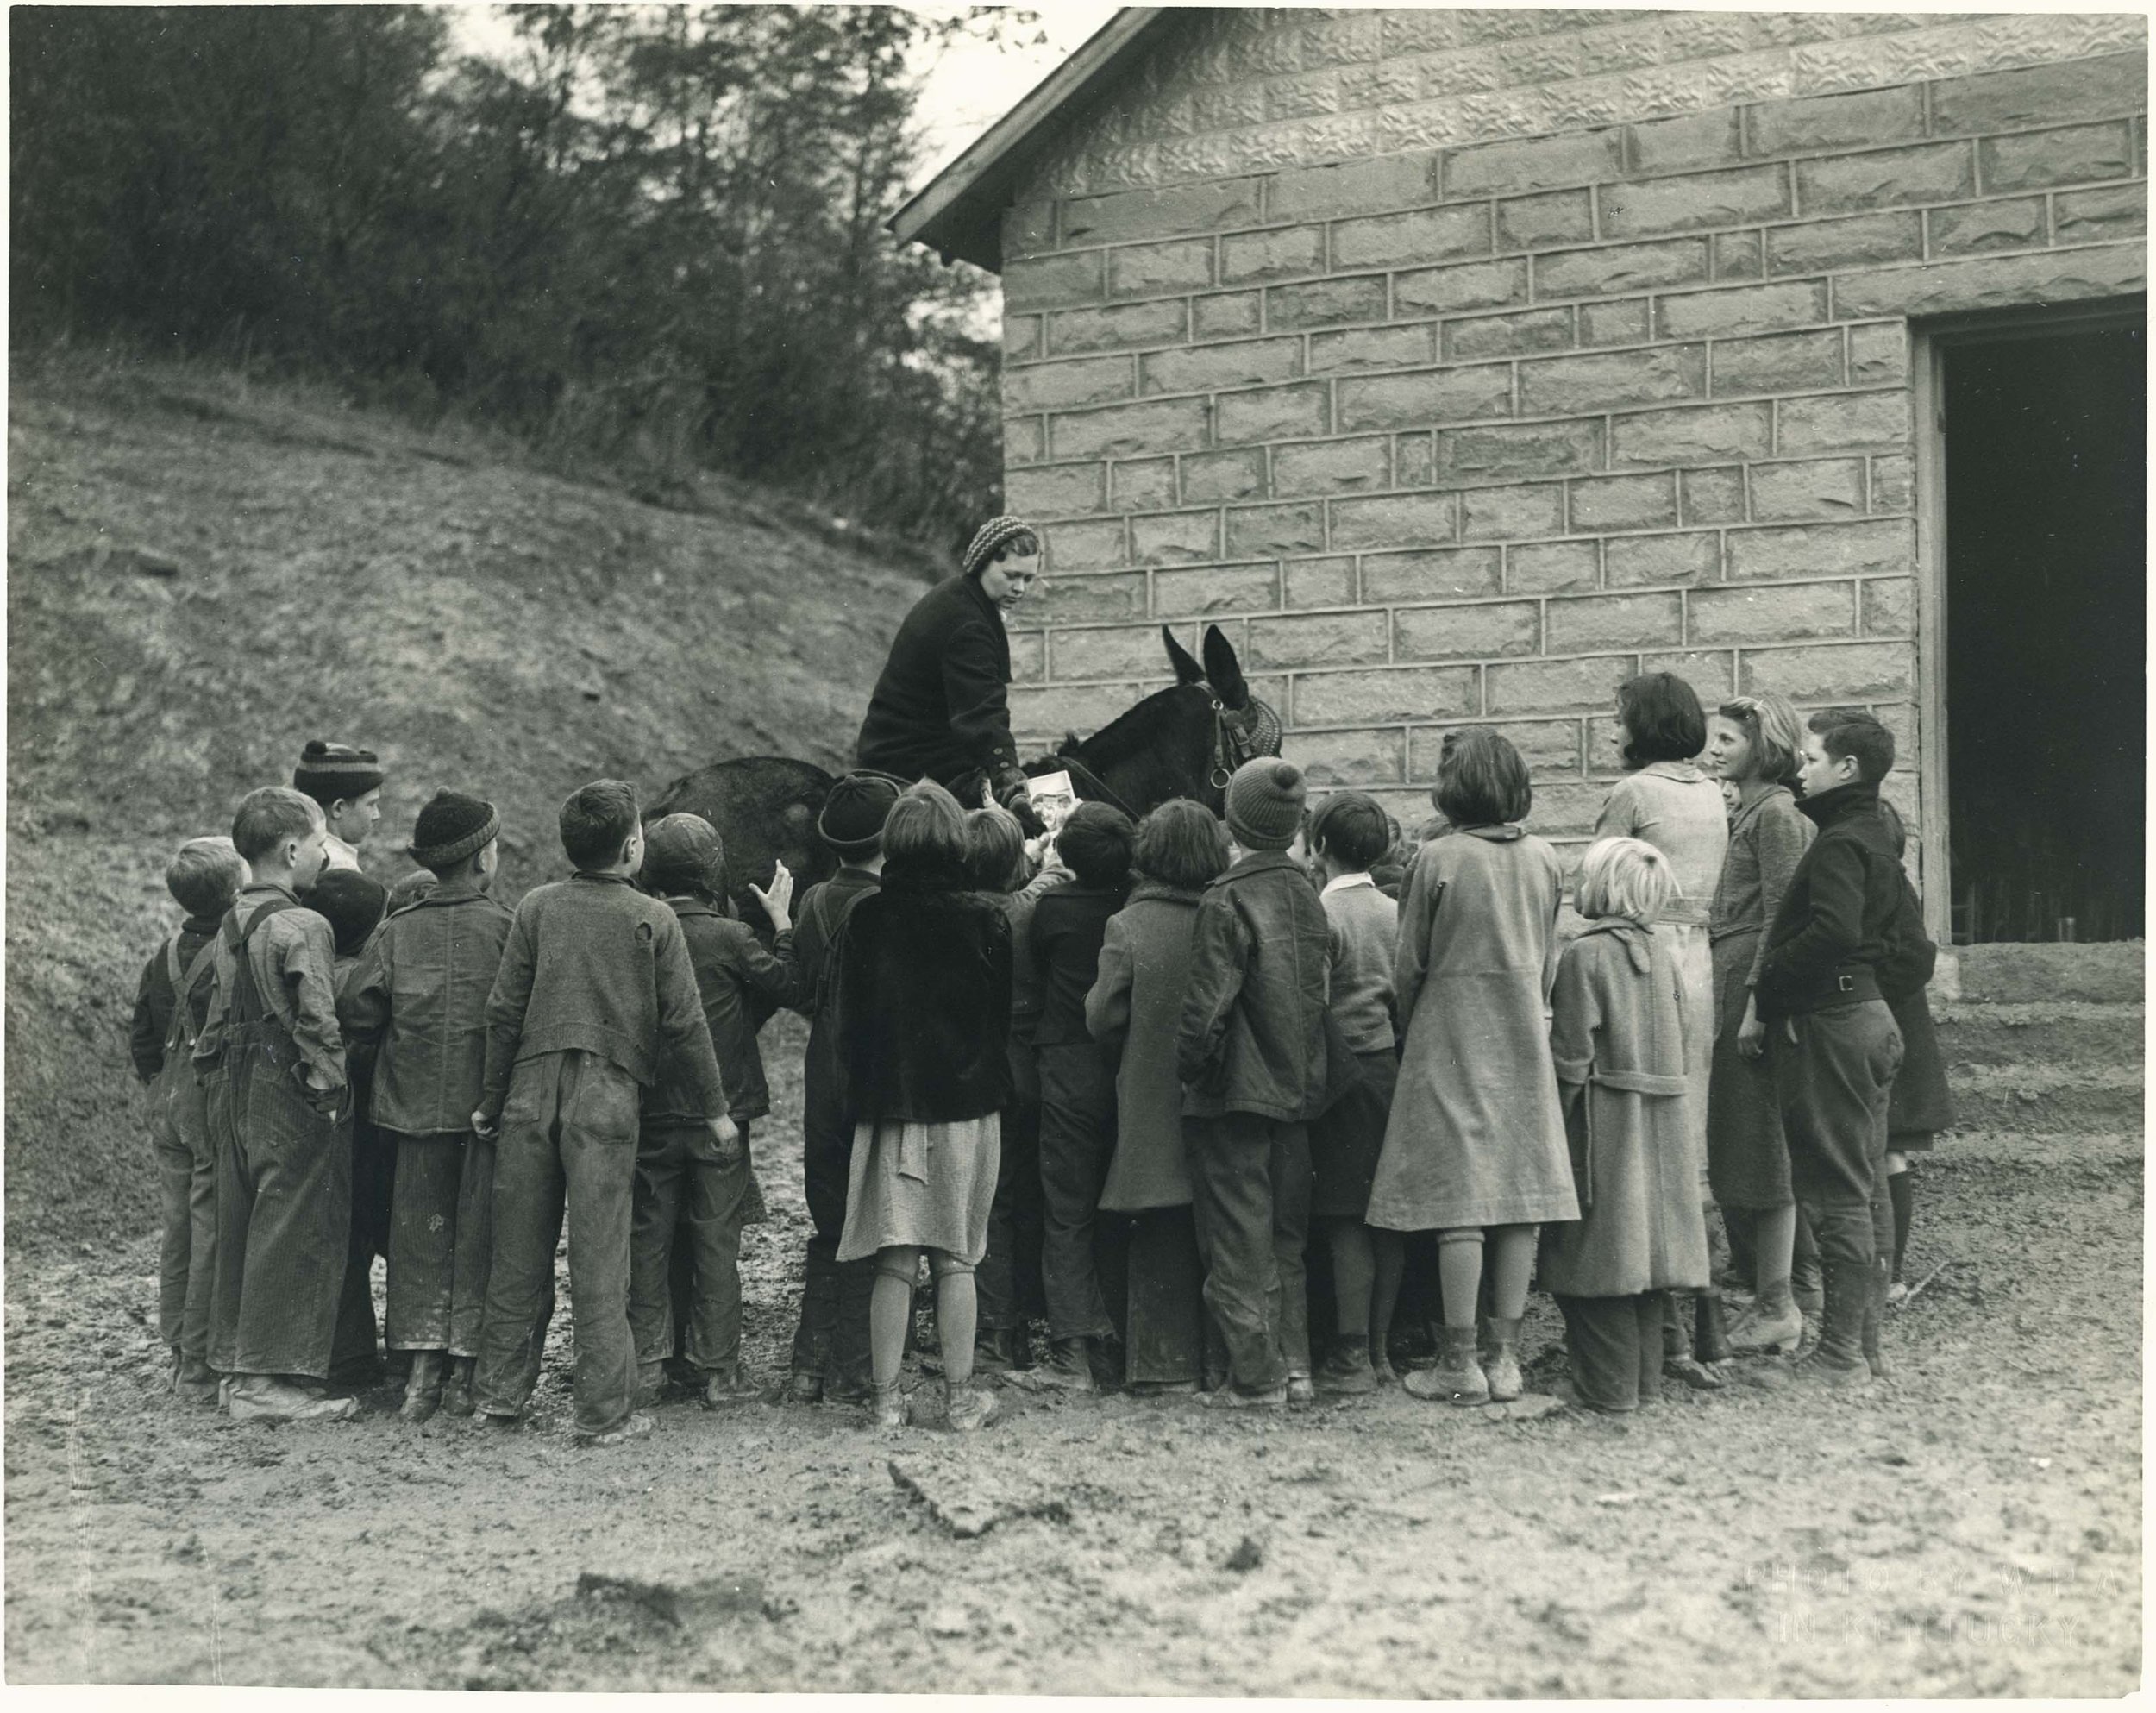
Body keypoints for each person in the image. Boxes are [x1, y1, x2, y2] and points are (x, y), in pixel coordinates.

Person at [470, 780, 733, 1445]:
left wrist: (489, 1098)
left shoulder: (536, 907)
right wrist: (716, 1112)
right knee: (600, 1257)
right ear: (634, 845)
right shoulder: (654, 917)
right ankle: (602, 1412)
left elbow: (503, 1012)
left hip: (529, 1091)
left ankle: (499, 1398)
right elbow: (686, 1024)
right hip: (607, 1098)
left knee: (518, 1255)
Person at [1367, 731, 1574, 1407]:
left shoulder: (1437, 856)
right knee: (1518, 1196)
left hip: (1449, 1036)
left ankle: (1458, 1364)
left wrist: (1407, 1025)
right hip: (1520, 1036)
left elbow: (1409, 962)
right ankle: (1505, 1358)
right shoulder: (1544, 857)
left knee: (1460, 1197)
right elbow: (1547, 957)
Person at [830, 782, 1013, 1431]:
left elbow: (846, 1028)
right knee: (958, 1257)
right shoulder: (987, 918)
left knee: (895, 1259)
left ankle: (885, 1401)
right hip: (965, 1108)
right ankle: (960, 1401)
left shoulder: (866, 918)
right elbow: (999, 1024)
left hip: (891, 1110)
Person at [337, 790, 513, 1423]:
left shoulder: (396, 930)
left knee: (417, 1242)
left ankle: (419, 1378)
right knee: (477, 1240)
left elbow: (359, 1010)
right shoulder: (505, 927)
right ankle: (467, 1373)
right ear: (481, 859)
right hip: (484, 1117)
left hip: (410, 1115)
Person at [1752, 711, 1907, 1390]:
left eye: (1811, 758)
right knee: (1866, 1185)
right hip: (1868, 1016)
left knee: (1837, 1190)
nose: (1800, 768)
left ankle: (1840, 1356)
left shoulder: (1841, 840)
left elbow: (1835, 930)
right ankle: (1861, 1350)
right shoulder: (1872, 834)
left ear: (1847, 769)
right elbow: (1909, 944)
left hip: (1834, 1023)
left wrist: (1775, 976)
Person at [195, 787, 359, 1423]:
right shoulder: (305, 925)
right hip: (286, 1086)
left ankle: (236, 1373)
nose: (323, 856)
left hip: (232, 1087)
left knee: (242, 1225)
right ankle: (267, 1385)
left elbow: (213, 1021)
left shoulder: (230, 921)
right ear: (293, 850)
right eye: (321, 844)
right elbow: (318, 1018)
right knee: (290, 1228)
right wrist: (330, 1088)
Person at [629, 814, 802, 1409]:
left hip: (650, 1116)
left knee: (649, 1241)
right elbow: (789, 986)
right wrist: (782, 925)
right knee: (716, 1243)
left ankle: (650, 1368)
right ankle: (719, 1372)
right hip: (721, 1117)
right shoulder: (731, 937)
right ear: (713, 874)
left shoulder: (639, 928)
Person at [1176, 758, 1330, 1409]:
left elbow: (1207, 1010)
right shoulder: (1307, 894)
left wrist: (1192, 1071)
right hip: (1302, 1093)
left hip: (1235, 1095)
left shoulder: (1226, 898)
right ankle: (1295, 1369)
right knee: (1287, 1242)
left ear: (1232, 821)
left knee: (1238, 1244)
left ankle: (1256, 1379)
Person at [1540, 838, 1710, 1413]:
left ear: (1604, 886)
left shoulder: (1586, 955)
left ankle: (1604, 1389)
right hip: (1662, 1116)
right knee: (1646, 1258)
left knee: (1595, 1253)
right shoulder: (1661, 952)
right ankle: (1643, 1383)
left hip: (1606, 1118)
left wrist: (1554, 1127)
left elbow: (1570, 1053)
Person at [1595, 671, 1728, 1390]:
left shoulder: (1635, 794)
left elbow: (1598, 888)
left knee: (1646, 1137)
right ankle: (1701, 1327)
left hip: (1644, 960)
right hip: (1698, 963)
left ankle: (1661, 1326)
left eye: (1620, 720)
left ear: (1642, 725)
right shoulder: (1711, 793)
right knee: (1690, 1138)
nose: (1614, 733)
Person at [1084, 799, 1228, 1395]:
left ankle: (1161, 1365)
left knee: (1154, 1221)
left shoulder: (1128, 925)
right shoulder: (1224, 915)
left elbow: (1101, 1016)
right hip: (1217, 1095)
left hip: (1148, 1090)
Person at [1702, 694, 1817, 1357]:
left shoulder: (1776, 815)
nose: (1715, 750)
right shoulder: (1745, 812)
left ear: (1763, 747)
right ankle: (1774, 1294)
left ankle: (1780, 1304)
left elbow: (1782, 918)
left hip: (1749, 985)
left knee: (1764, 1150)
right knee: (1742, 1145)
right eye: (1713, 740)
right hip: (1728, 977)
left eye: (1729, 741)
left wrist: (1757, 1006)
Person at [784, 769, 905, 1404]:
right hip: (877, 1074)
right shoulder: (892, 908)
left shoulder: (812, 904)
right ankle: (858, 1370)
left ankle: (807, 1370)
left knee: (830, 1221)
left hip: (822, 1073)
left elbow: (804, 985)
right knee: (876, 1222)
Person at [131, 835, 248, 1402]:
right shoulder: (233, 948)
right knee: (210, 1235)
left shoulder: (164, 952)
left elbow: (142, 1039)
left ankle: (178, 1349)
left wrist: (158, 1085)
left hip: (165, 1105)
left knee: (177, 1230)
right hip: (205, 1105)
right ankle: (200, 1369)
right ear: (234, 889)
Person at [1027, 799, 1136, 1391]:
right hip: (1123, 1065)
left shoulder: (1052, 909)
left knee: (1065, 1210)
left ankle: (1072, 1353)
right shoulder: (1132, 904)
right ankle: (1119, 1345)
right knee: (1115, 1207)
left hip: (1066, 1064)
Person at [1304, 791, 1400, 1396]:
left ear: (1318, 849)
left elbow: (1311, 1005)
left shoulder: (1321, 916)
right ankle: (1383, 1351)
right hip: (1388, 1067)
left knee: (1344, 1220)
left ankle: (1351, 1354)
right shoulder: (1394, 911)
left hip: (1338, 1073)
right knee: (1384, 1215)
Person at [854, 515, 1039, 808]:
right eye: (1011, 575)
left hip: (899, 751)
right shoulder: (969, 624)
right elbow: (981, 712)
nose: (1020, 589)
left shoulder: (961, 599)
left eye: (1027, 579)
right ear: (983, 564)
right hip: (909, 765)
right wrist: (1007, 774)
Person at [966, 802, 1061, 1374]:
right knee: (1026, 1196)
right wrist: (1047, 852)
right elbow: (1038, 886)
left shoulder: (959, 915)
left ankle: (1001, 1331)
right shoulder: (1027, 910)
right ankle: (1026, 1315)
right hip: (1032, 1070)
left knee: (990, 1205)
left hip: (985, 1077)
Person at [305, 867, 392, 1384]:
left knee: (343, 1245)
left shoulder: (317, 976)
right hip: (375, 1130)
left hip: (330, 1129)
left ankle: (347, 1354)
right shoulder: (366, 978)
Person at [1873, 800, 1952, 1313]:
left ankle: (1891, 1274)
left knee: (1887, 1151)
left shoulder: (1890, 886)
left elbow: (1915, 957)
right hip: (1885, 1025)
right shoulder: (1885, 883)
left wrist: (1867, 993)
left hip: (1890, 1030)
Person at [293, 740, 385, 872]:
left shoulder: (291, 851)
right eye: (371, 804)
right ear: (338, 808)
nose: (377, 815)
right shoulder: (341, 868)